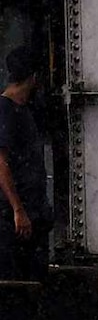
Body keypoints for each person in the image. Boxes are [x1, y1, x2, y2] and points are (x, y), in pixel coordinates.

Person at [0, 46, 50, 282]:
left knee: (30, 279)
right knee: (19, 282)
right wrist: (18, 209)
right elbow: (1, 163)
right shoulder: (7, 111)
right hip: (16, 217)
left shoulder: (21, 110)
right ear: (34, 77)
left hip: (29, 213)